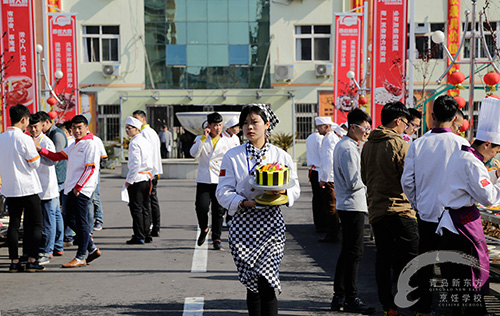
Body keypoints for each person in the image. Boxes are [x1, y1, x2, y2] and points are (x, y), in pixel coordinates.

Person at [216, 104, 300, 316]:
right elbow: (222, 191)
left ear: (267, 125)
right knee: (252, 284)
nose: (249, 128)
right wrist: (243, 202)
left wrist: (283, 193)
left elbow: (295, 186)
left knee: (267, 280)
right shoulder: (232, 156)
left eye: (254, 122)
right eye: (245, 123)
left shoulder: (280, 155)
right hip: (243, 226)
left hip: (271, 225)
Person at [401, 95, 468, 315]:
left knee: (426, 263)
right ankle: (455, 309)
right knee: (453, 266)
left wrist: (418, 203)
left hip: (426, 213)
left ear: (432, 116)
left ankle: (423, 307)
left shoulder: (418, 143)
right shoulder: (462, 144)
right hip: (453, 216)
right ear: (456, 118)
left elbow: (407, 181)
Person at [436, 97, 500, 316]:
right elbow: (489, 198)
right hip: (463, 224)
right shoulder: (473, 162)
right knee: (473, 276)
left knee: (457, 279)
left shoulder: (462, 155)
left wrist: (495, 174)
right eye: (496, 151)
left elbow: (471, 182)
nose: (496, 155)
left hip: (450, 222)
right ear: (488, 144)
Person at [360, 101, 419, 316]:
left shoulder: (368, 144)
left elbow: (364, 177)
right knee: (413, 254)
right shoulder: (400, 145)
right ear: (398, 121)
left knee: (383, 257)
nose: (407, 127)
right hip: (400, 209)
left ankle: (388, 306)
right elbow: (410, 180)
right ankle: (416, 300)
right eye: (406, 122)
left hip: (377, 210)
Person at [37, 115, 102, 268]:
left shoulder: (90, 144)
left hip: (82, 190)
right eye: (74, 128)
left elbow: (90, 168)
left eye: (80, 128)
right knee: (70, 220)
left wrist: (79, 188)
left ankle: (80, 256)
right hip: (70, 188)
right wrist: (40, 149)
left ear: (86, 128)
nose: (77, 131)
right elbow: (57, 156)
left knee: (81, 222)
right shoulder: (74, 144)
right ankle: (91, 248)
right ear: (70, 129)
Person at [331, 109, 374, 314]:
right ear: (353, 127)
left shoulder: (350, 145)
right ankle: (351, 297)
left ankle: (340, 295)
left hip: (351, 205)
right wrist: (371, 178)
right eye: (364, 128)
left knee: (348, 252)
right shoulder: (348, 148)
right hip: (352, 205)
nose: (367, 132)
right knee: (354, 253)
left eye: (369, 128)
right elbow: (353, 182)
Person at [0, 104, 45, 272]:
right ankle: (32, 260)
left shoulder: (2, 137)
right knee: (35, 224)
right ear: (24, 119)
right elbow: (35, 163)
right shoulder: (25, 138)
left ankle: (14, 261)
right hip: (28, 187)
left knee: (13, 224)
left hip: (10, 188)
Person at [190, 112, 232, 250]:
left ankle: (217, 238)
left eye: (220, 125)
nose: (218, 128)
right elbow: (193, 153)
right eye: (215, 125)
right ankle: (204, 229)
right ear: (209, 125)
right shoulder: (201, 138)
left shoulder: (227, 140)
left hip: (220, 179)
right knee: (201, 207)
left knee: (218, 211)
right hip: (204, 179)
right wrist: (203, 137)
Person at [28, 113, 62, 265]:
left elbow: (52, 162)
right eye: (31, 127)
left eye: (36, 127)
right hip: (35, 187)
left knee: (48, 222)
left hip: (47, 187)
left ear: (42, 125)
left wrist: (38, 151)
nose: (33, 130)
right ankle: (39, 249)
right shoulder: (28, 140)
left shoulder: (47, 142)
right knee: (38, 222)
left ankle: (47, 251)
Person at [39, 112, 67, 254]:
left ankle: (54, 245)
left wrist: (40, 152)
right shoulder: (51, 134)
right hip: (54, 179)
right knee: (55, 213)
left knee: (52, 213)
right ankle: (57, 245)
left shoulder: (56, 135)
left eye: (39, 125)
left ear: (46, 122)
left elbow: (57, 157)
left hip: (58, 178)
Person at [124, 116, 154, 244]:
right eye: (126, 128)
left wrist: (129, 179)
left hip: (137, 178)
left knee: (136, 208)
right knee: (145, 208)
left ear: (136, 129)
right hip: (147, 177)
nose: (127, 131)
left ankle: (139, 235)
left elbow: (136, 163)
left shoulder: (134, 143)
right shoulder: (145, 141)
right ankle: (147, 234)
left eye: (129, 128)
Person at [133, 110, 163, 237]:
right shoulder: (152, 132)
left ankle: (149, 226)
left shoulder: (144, 134)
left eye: (136, 119)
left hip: (148, 172)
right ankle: (155, 226)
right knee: (152, 200)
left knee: (147, 202)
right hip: (154, 170)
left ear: (143, 119)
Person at [319, 117, 341, 242]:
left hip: (330, 177)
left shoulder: (329, 139)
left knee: (331, 206)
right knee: (332, 206)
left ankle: (332, 234)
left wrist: (324, 178)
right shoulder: (330, 138)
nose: (318, 129)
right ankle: (333, 232)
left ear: (326, 126)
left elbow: (328, 160)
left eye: (320, 127)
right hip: (331, 176)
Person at [305, 120, 325, 232]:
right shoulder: (321, 139)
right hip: (319, 170)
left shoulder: (310, 137)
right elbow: (323, 156)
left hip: (312, 171)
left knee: (316, 198)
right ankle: (323, 224)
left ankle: (318, 223)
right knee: (323, 199)